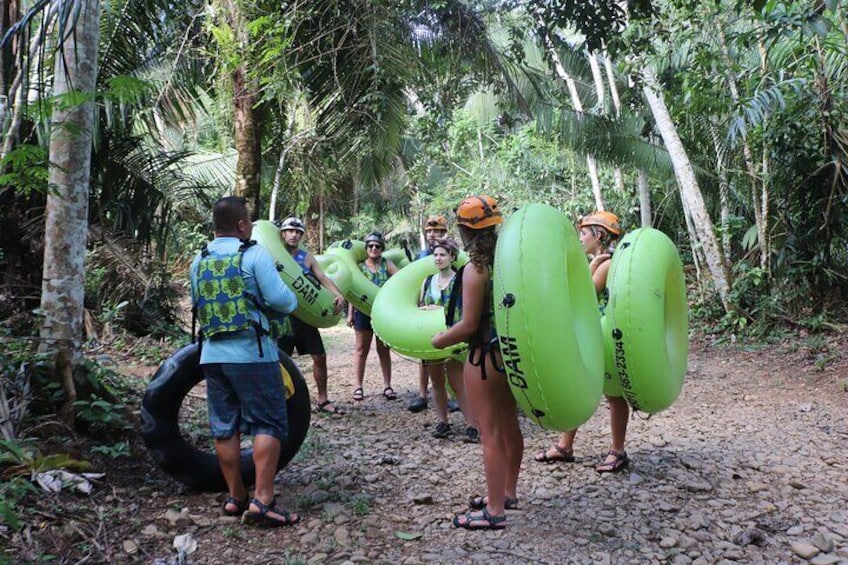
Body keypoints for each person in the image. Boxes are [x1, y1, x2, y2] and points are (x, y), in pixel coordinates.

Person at [190, 196, 300, 527]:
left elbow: (198, 301)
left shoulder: (199, 258)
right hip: (253, 353)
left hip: (212, 355)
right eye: (249, 220)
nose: (250, 224)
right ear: (241, 224)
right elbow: (281, 299)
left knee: (225, 427)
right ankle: (263, 500)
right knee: (268, 422)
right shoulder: (252, 253)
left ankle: (235, 496)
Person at [432, 195, 523, 530]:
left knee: (490, 433)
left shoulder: (475, 269)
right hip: (510, 356)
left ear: (464, 231)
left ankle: (495, 510)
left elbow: (469, 324)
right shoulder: (507, 261)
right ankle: (507, 492)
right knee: (509, 425)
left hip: (483, 358)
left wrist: (438, 340)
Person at [534, 211, 630, 473]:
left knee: (613, 395)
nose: (580, 239)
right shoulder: (597, 262)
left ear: (599, 235)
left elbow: (585, 295)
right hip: (592, 333)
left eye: (584, 234)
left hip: (605, 336)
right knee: (579, 386)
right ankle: (565, 445)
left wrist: (589, 268)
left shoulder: (608, 263)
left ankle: (618, 451)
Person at [276, 217, 347, 415]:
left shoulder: (306, 257)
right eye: (290, 231)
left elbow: (322, 277)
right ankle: (279, 402)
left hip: (305, 315)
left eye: (298, 232)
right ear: (282, 234)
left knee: (320, 356)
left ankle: (323, 400)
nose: (293, 235)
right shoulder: (275, 254)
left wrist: (338, 294)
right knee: (280, 360)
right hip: (284, 316)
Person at [418, 237, 478, 442]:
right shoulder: (428, 281)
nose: (438, 258)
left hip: (453, 337)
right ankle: (443, 422)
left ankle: (472, 425)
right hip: (432, 338)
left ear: (452, 257)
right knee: (436, 381)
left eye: (442, 254)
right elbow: (419, 307)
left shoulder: (460, 281)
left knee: (458, 381)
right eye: (435, 254)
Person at [347, 232, 399, 401]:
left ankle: (387, 385)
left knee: (384, 350)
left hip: (383, 313)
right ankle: (358, 386)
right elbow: (353, 291)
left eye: (377, 246)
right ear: (366, 248)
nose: (374, 248)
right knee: (361, 350)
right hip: (362, 312)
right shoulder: (360, 267)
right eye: (371, 246)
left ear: (381, 248)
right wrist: (350, 314)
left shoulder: (387, 264)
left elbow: (400, 280)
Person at [408, 214, 449, 413]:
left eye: (437, 231)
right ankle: (422, 394)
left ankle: (452, 395)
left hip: (446, 307)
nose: (433, 234)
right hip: (427, 303)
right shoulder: (422, 256)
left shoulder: (451, 252)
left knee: (450, 354)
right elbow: (414, 282)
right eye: (430, 231)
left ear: (444, 232)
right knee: (425, 355)